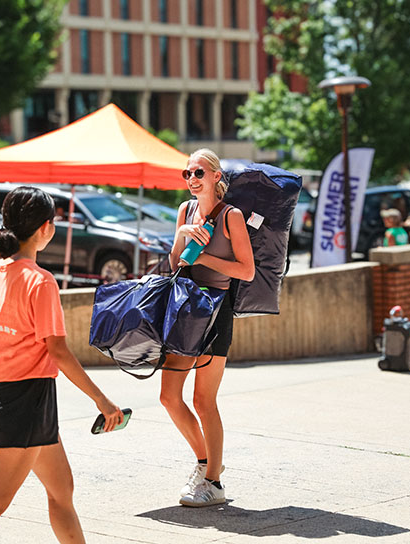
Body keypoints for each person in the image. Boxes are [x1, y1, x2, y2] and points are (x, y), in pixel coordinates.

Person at [0, 186, 124, 544]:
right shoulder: (40, 281)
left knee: (62, 491)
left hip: (20, 400)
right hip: (24, 402)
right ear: (46, 227)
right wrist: (102, 401)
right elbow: (58, 351)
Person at [161, 148, 254, 508]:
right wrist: (182, 236)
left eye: (198, 172)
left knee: (203, 399)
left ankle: (214, 482)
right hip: (185, 305)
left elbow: (246, 271)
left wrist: (205, 257)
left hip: (216, 309)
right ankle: (205, 461)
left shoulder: (230, 216)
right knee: (168, 396)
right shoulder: (185, 210)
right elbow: (174, 262)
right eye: (186, 174)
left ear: (216, 175)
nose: (191, 179)